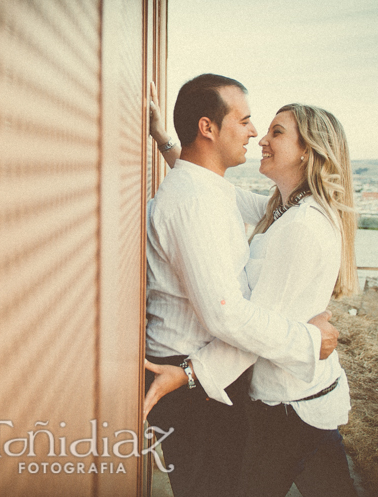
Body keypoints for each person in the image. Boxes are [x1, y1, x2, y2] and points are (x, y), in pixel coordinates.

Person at [148, 92, 359, 495]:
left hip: (288, 403)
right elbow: (204, 189)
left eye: (276, 132)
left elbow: (248, 326)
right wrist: (167, 141)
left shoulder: (301, 226)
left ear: (306, 152)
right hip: (302, 393)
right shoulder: (284, 206)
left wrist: (190, 374)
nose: (261, 137)